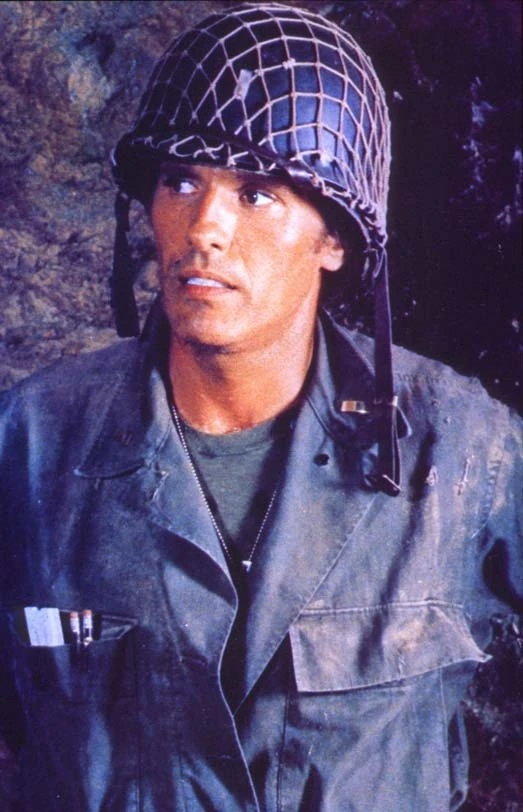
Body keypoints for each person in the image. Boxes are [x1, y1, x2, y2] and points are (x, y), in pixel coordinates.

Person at [0, 3, 521, 810]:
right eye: (180, 182)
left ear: (334, 239)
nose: (204, 228)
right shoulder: (31, 443)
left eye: (257, 194)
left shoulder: (461, 451)